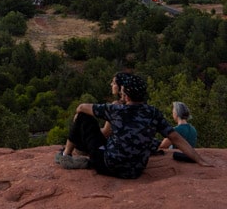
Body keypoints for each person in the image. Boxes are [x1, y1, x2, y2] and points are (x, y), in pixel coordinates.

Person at [55, 73, 209, 178]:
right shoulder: (153, 112)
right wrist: (199, 160)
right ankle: (83, 159)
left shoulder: (116, 110)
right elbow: (175, 137)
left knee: (83, 117)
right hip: (136, 171)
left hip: (109, 166)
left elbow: (81, 107)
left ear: (126, 96)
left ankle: (66, 156)